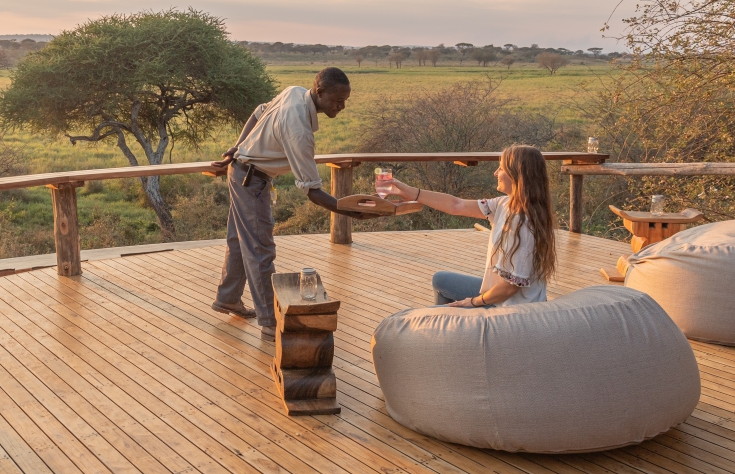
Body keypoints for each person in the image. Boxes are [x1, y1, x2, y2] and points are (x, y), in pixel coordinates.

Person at [210, 67, 372, 340]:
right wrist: (348, 211)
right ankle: (271, 322)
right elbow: (312, 191)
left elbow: (258, 111)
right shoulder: (299, 130)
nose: (342, 106)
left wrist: (237, 147)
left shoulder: (294, 92)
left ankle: (228, 298)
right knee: (260, 249)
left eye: (345, 100)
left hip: (243, 172)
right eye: (337, 100)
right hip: (251, 180)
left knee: (242, 239)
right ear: (319, 92)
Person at [384, 144, 557, 307]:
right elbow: (456, 205)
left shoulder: (523, 223)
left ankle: (453, 329)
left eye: (501, 168)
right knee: (441, 281)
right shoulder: (504, 204)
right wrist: (409, 191)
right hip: (500, 297)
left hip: (511, 309)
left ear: (517, 174)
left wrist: (473, 302)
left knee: (447, 307)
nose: (495, 173)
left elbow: (510, 288)